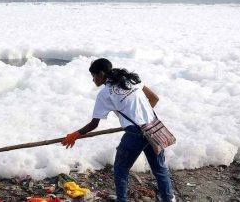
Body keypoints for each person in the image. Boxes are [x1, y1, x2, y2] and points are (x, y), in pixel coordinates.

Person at [61, 58, 175, 202]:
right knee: (159, 169)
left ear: (101, 74)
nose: (93, 80)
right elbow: (154, 99)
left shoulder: (105, 94)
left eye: (94, 76)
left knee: (121, 169)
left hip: (135, 133)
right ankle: (169, 198)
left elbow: (94, 124)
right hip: (153, 127)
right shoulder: (131, 80)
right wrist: (140, 116)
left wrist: (75, 135)